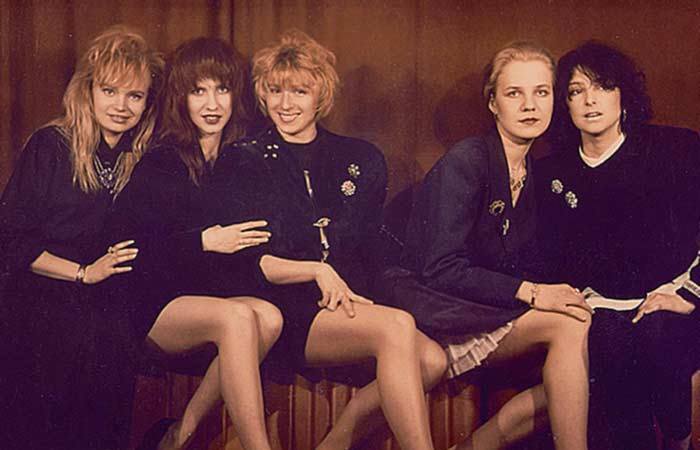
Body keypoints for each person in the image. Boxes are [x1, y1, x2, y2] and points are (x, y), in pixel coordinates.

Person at [210, 30, 448, 450]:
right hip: (283, 308)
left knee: (432, 360)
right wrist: (316, 271)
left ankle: (334, 442)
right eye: (275, 91)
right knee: (396, 328)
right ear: (262, 94)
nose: (286, 104)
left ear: (321, 94)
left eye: (299, 91)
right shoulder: (243, 158)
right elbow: (251, 262)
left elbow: (370, 244)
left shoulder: (360, 157)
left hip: (343, 302)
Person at [383, 42, 593, 450]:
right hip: (431, 306)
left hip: (477, 303)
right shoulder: (468, 159)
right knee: (569, 325)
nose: (530, 105)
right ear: (493, 103)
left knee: (586, 327)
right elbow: (440, 267)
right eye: (514, 93)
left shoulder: (533, 168)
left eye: (542, 92)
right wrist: (533, 292)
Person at [108, 38, 284, 450]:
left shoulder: (238, 160)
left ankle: (179, 433)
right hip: (147, 303)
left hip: (202, 301)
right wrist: (204, 241)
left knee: (270, 318)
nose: (212, 104)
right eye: (198, 90)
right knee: (237, 318)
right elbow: (131, 249)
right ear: (181, 98)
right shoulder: (162, 161)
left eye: (222, 89)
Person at [0, 26, 163, 450]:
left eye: (135, 95)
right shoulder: (51, 145)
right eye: (110, 91)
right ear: (87, 90)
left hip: (104, 305)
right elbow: (11, 241)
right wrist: (83, 273)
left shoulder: (140, 157)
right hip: (41, 297)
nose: (121, 106)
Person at [537, 41, 700, 450]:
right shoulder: (551, 172)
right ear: (564, 103)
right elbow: (546, 257)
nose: (590, 100)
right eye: (576, 91)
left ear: (623, 93)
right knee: (609, 343)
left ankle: (679, 441)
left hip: (674, 297)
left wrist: (689, 295)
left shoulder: (676, 149)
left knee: (657, 334)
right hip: (600, 308)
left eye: (603, 86)